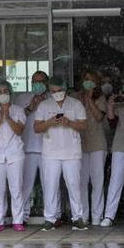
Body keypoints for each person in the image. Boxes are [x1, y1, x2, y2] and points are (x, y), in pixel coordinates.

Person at [34, 76, 88, 231]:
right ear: (49, 91)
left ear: (64, 89)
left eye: (59, 90)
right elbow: (36, 128)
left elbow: (84, 125)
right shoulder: (44, 105)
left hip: (72, 152)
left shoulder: (75, 104)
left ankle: (77, 218)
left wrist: (69, 123)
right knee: (50, 186)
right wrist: (49, 122)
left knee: (74, 185)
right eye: (53, 91)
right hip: (50, 152)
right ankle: (49, 219)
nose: (56, 93)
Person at [0, 80, 27, 232]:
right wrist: (0, 117)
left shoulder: (18, 110)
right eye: (0, 92)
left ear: (10, 93)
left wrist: (8, 117)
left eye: (5, 91)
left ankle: (18, 220)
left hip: (15, 153)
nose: (3, 94)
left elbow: (19, 130)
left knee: (16, 188)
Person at [102, 73, 124, 227]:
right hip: (120, 144)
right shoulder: (120, 103)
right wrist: (111, 105)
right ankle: (109, 215)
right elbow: (111, 121)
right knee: (116, 180)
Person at [14, 71, 48, 224]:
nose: (37, 84)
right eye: (35, 81)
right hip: (27, 147)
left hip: (48, 148)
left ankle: (52, 216)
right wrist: (31, 107)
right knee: (25, 185)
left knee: (49, 184)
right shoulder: (22, 98)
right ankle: (23, 216)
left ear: (46, 83)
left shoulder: (53, 98)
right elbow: (17, 119)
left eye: (41, 81)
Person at [74, 70, 108, 226]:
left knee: (97, 181)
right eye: (85, 79)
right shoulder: (74, 98)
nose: (87, 82)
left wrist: (89, 99)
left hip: (97, 144)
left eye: (90, 79)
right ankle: (83, 215)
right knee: (81, 182)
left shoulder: (100, 98)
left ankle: (96, 215)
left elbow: (99, 117)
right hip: (80, 144)